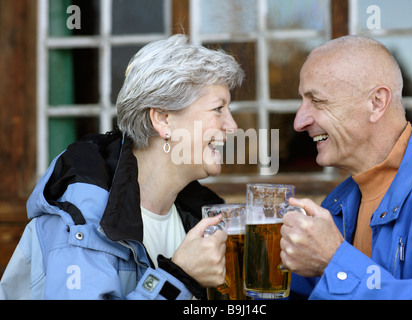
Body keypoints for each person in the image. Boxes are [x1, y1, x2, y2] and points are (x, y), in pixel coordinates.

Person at [0, 34, 244, 300]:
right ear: (163, 119)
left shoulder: (198, 215)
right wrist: (178, 278)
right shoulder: (81, 219)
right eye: (218, 109)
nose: (232, 126)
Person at [280, 35, 412, 299]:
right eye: (303, 101)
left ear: (377, 103)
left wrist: (335, 263)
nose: (299, 122)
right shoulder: (336, 204)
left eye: (318, 101)